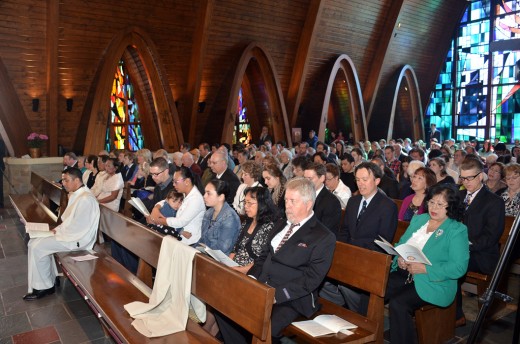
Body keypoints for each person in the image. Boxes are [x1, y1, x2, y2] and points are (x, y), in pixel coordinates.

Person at [214, 178, 336, 343]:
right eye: (286, 200)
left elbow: (311, 279)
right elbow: (263, 257)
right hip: (262, 286)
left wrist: (275, 295)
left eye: (293, 201)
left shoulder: (322, 237)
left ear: (308, 204)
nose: (288, 206)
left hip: (290, 299)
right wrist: (252, 279)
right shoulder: (281, 224)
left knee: (261, 324)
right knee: (223, 306)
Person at [386, 184, 469, 343]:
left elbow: (459, 267)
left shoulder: (457, 230)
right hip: (406, 273)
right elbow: (401, 244)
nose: (434, 207)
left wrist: (425, 268)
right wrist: (400, 259)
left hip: (434, 281)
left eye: (440, 204)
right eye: (431, 202)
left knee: (398, 303)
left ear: (450, 206)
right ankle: (367, 331)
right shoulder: (419, 220)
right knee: (375, 287)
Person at [23, 168, 100, 300]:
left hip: (79, 240)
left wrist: (56, 233)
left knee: (37, 247)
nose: (63, 183)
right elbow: (70, 222)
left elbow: (79, 228)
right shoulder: (77, 194)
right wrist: (55, 231)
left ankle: (44, 287)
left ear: (77, 180)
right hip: (70, 235)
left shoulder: (86, 199)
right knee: (33, 242)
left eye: (66, 180)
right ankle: (50, 278)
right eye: (63, 179)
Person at [456, 157, 505, 325]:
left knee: (450, 265)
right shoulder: (459, 195)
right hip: (459, 249)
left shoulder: (494, 202)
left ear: (481, 175)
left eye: (470, 178)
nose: (466, 182)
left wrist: (465, 245)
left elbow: (491, 237)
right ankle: (445, 310)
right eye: (463, 178)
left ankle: (456, 315)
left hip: (480, 254)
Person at [147, 166, 205, 246]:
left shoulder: (196, 199)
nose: (173, 184)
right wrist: (156, 208)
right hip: (176, 238)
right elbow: (166, 200)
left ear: (187, 181)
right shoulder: (184, 192)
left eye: (176, 182)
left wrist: (156, 220)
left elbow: (180, 222)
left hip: (188, 243)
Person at [231, 187, 279, 273]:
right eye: (245, 202)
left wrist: (237, 270)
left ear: (262, 204)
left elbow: (260, 260)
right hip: (234, 267)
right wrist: (226, 264)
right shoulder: (247, 221)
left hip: (249, 272)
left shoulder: (269, 227)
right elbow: (235, 250)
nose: (245, 206)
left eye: (249, 203)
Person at [199, 179, 241, 255]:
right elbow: (202, 239)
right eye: (205, 192)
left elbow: (222, 248)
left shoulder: (230, 218)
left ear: (221, 197)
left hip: (219, 261)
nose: (204, 196)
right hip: (206, 254)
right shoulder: (209, 212)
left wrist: (203, 250)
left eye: (208, 193)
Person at [304, 162, 342, 234]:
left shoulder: (332, 202)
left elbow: (324, 231)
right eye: (305, 178)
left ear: (322, 178)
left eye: (310, 178)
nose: (306, 182)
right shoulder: (302, 195)